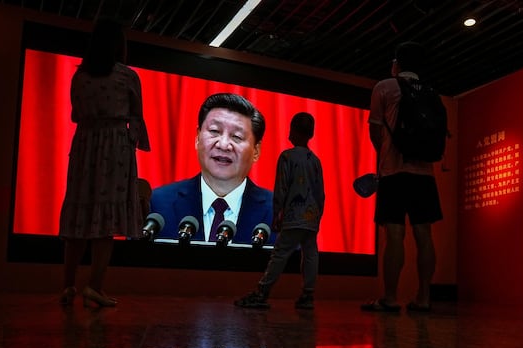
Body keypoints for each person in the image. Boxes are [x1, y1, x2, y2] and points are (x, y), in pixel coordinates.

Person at [58, 18, 150, 308]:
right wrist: (129, 142)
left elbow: (75, 113)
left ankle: (68, 286)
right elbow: (137, 115)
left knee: (78, 216)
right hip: (114, 146)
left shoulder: (80, 76)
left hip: (85, 142)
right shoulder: (127, 76)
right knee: (105, 221)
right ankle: (94, 286)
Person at [361, 41, 443, 313]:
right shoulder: (432, 93)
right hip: (425, 174)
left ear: (397, 64)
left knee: (394, 235)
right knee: (424, 235)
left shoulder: (384, 87)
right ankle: (424, 298)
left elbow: (375, 133)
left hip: (394, 172)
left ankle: (390, 298)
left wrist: (386, 153)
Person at [149, 93, 274, 245]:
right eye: (215, 131)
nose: (223, 144)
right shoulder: (156, 205)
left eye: (237, 136)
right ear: (197, 138)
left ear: (256, 151)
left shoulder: (279, 214)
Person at [234, 112, 325, 309]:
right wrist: (318, 215)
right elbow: (320, 192)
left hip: (293, 216)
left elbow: (282, 187)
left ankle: (262, 292)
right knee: (310, 254)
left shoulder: (287, 157)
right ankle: (308, 294)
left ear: (294, 130)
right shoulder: (315, 160)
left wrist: (277, 213)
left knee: (280, 253)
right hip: (311, 217)